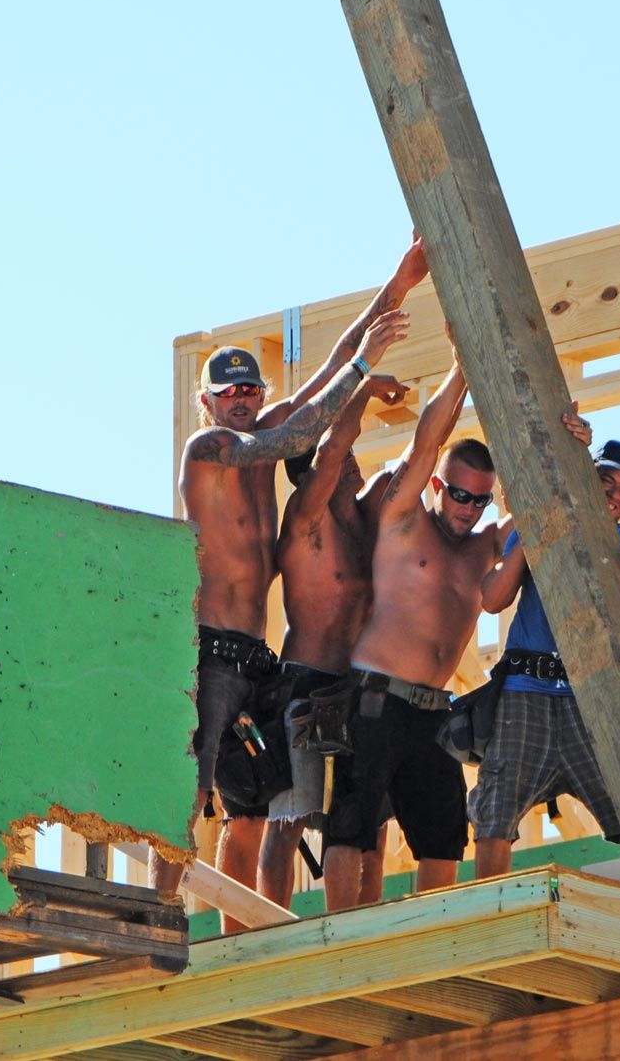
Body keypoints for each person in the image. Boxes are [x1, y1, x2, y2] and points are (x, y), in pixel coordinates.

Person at [158, 241, 427, 924]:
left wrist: (397, 286)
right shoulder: (211, 449)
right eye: (229, 392)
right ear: (207, 401)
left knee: (258, 803)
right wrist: (365, 372)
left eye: (251, 389)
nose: (243, 400)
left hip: (259, 656)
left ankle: (247, 932)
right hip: (213, 648)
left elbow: (330, 366)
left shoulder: (270, 424)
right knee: (190, 790)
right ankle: (159, 912)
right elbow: (291, 435)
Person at [320, 358, 503, 908]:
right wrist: (462, 367)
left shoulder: (483, 547)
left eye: (481, 500)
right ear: (438, 486)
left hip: (433, 712)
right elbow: (427, 442)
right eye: (459, 495)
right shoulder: (405, 518)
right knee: (351, 823)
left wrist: (575, 438)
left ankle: (428, 940)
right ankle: (338, 938)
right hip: (374, 696)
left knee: (444, 835)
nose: (468, 509)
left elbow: (545, 502)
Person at [471, 426, 620, 877]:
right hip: (526, 692)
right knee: (495, 813)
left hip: (590, 700)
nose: (616, 496)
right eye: (606, 482)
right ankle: (490, 914)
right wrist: (534, 536)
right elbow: (493, 599)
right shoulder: (543, 522)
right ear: (586, 477)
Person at [256, 377, 405, 908]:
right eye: (342, 458)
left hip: (360, 686)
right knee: (290, 819)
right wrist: (362, 386)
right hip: (306, 683)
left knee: (372, 824)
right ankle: (269, 930)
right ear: (317, 471)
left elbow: (414, 467)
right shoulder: (305, 518)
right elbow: (335, 443)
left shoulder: (367, 522)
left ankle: (361, 925)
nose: (355, 463)